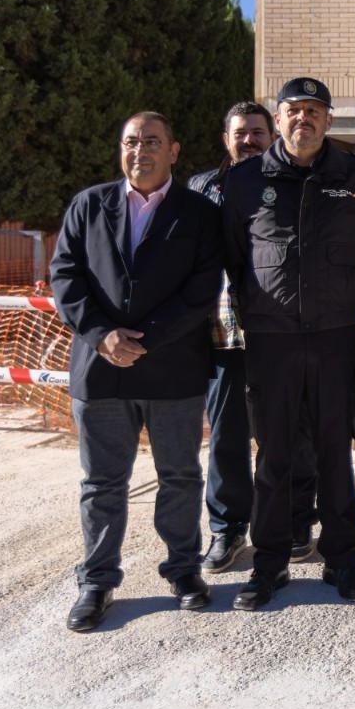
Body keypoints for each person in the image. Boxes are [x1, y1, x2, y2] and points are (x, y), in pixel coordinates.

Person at [49, 111, 223, 631]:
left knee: (179, 476)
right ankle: (97, 581)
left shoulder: (199, 214)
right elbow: (64, 275)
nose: (139, 150)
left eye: (152, 141)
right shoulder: (88, 205)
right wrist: (102, 335)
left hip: (172, 370)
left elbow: (202, 290)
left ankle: (184, 570)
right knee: (102, 483)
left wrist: (141, 340)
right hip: (101, 371)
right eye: (130, 141)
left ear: (173, 150)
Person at [222, 77, 355, 609]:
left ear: (328, 120)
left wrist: (337, 307)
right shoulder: (245, 180)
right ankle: (268, 566)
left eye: (314, 111)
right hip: (271, 342)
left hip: (335, 337)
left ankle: (343, 562)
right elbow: (233, 259)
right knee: (273, 457)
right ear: (280, 117)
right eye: (294, 111)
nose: (304, 120)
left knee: (337, 454)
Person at [188, 102, 319, 573]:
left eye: (258, 132)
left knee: (291, 432)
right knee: (226, 436)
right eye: (240, 132)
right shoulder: (201, 189)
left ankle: (298, 520)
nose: (250, 140)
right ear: (226, 138)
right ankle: (227, 528)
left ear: (274, 135)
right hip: (222, 333)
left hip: (282, 332)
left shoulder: (292, 181)